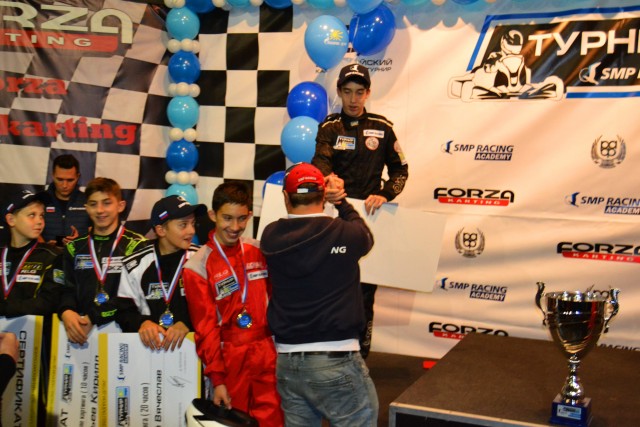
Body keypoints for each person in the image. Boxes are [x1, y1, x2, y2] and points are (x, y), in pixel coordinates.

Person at [260, 162, 378, 427]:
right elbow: (365, 236)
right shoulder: (345, 231)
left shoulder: (270, 236)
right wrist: (342, 202)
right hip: (336, 358)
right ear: (324, 196)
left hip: (288, 363)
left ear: (286, 196)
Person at [312, 63, 409, 358]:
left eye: (359, 92)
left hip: (369, 221)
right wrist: (327, 181)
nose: (353, 99)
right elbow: (320, 164)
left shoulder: (383, 127)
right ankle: (331, 354)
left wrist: (384, 193)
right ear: (339, 92)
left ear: (368, 93)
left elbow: (400, 170)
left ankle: (361, 357)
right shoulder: (329, 127)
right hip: (334, 219)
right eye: (347, 92)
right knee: (330, 289)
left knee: (365, 294)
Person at [182, 182, 283, 427]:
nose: (235, 227)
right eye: (227, 218)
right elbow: (205, 329)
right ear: (212, 215)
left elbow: (279, 300)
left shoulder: (259, 251)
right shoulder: (196, 266)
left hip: (267, 352)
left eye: (241, 218)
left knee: (274, 421)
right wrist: (218, 379)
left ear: (249, 215)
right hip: (230, 359)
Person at [58, 177, 146, 345]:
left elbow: (132, 297)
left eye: (106, 203)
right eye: (93, 204)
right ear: (86, 208)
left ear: (120, 206)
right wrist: (66, 311)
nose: (99, 210)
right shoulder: (74, 247)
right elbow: (67, 289)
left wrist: (94, 317)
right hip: (80, 332)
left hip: (124, 332)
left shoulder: (137, 245)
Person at [116, 195, 206, 351]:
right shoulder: (135, 265)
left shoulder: (203, 259)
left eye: (193, 223)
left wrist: (187, 322)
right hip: (149, 351)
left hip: (194, 352)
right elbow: (123, 310)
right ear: (161, 230)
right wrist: (142, 323)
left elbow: (213, 307)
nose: (192, 231)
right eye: (183, 225)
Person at [0, 190, 63, 318]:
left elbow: (50, 301)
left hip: (35, 329)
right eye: (32, 215)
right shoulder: (2, 254)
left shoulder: (53, 256)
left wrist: (6, 308)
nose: (40, 221)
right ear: (11, 220)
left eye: (42, 215)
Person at [39, 154, 90, 246]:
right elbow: (28, 230)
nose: (64, 185)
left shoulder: (88, 201)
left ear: (78, 177)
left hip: (79, 254)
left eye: (70, 180)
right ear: (53, 175)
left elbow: (97, 234)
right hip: (45, 255)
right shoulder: (39, 200)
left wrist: (79, 242)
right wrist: (44, 247)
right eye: (60, 179)